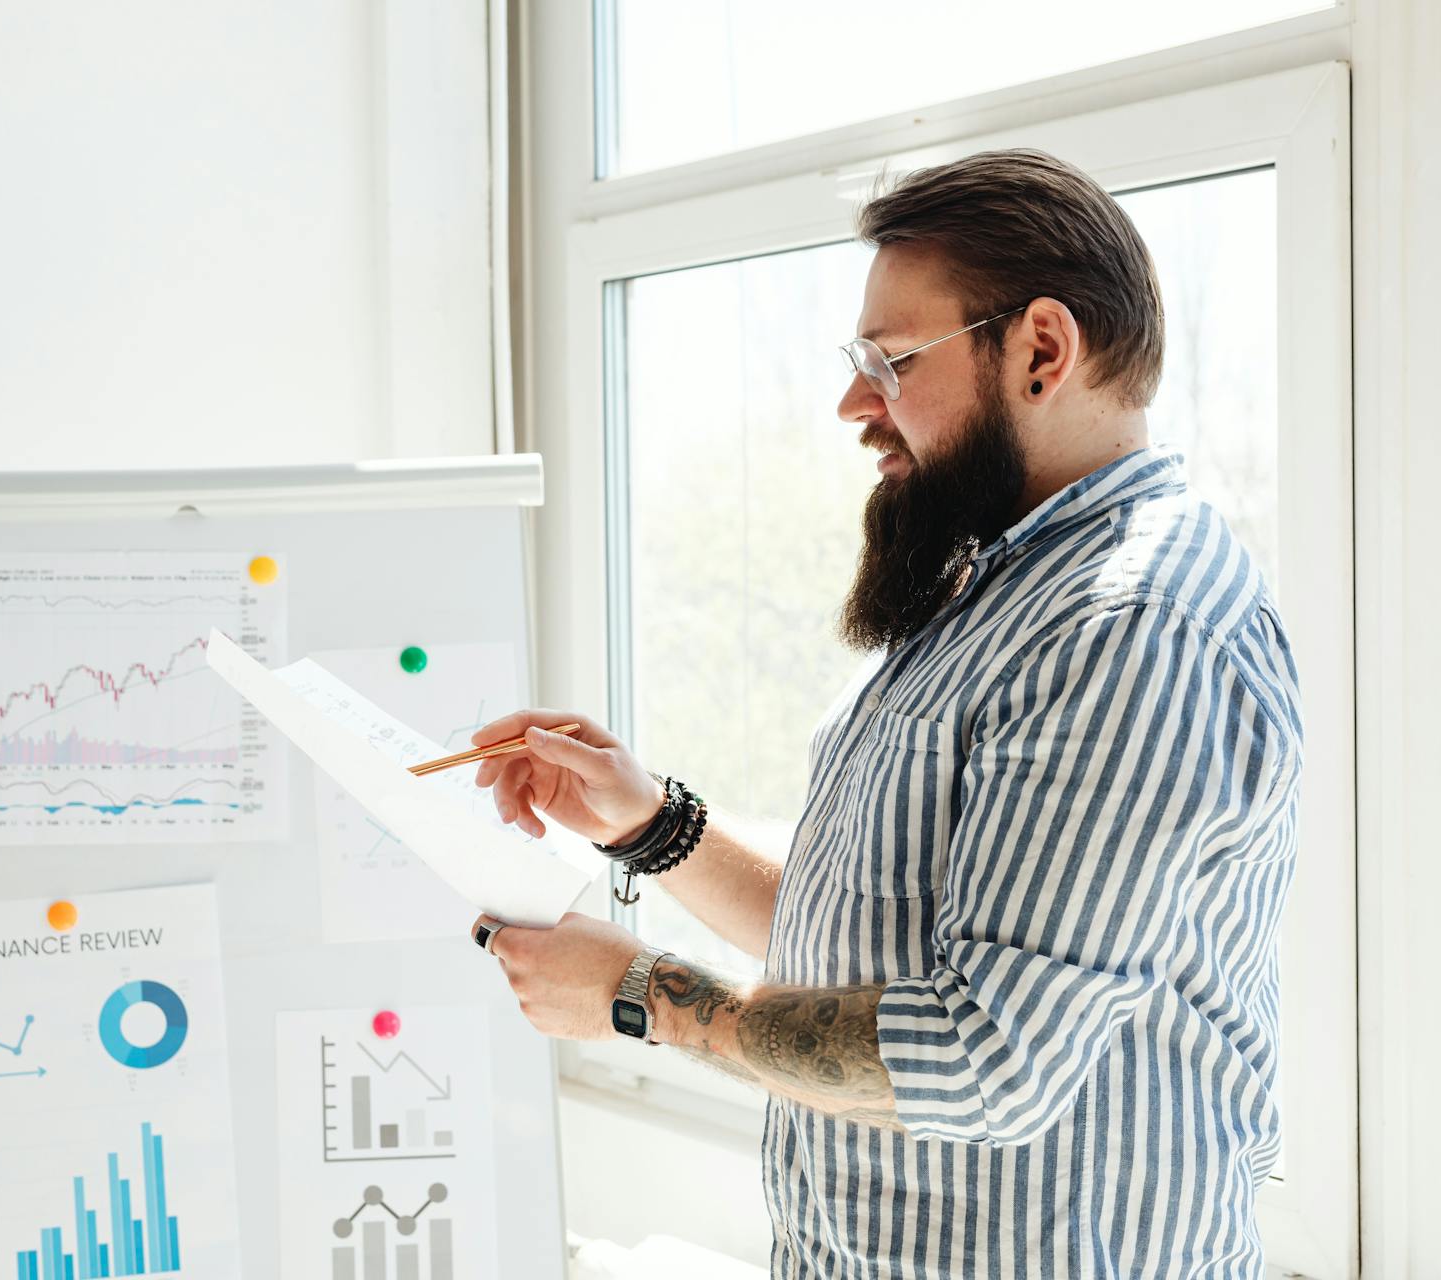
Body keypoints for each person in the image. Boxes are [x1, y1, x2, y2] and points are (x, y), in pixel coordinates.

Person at [469, 148, 1303, 1278]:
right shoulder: (996, 593)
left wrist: (636, 994)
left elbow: (985, 1056)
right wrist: (645, 821)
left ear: (1042, 351)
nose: (857, 403)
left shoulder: (1131, 625)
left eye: (890, 360)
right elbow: (876, 937)